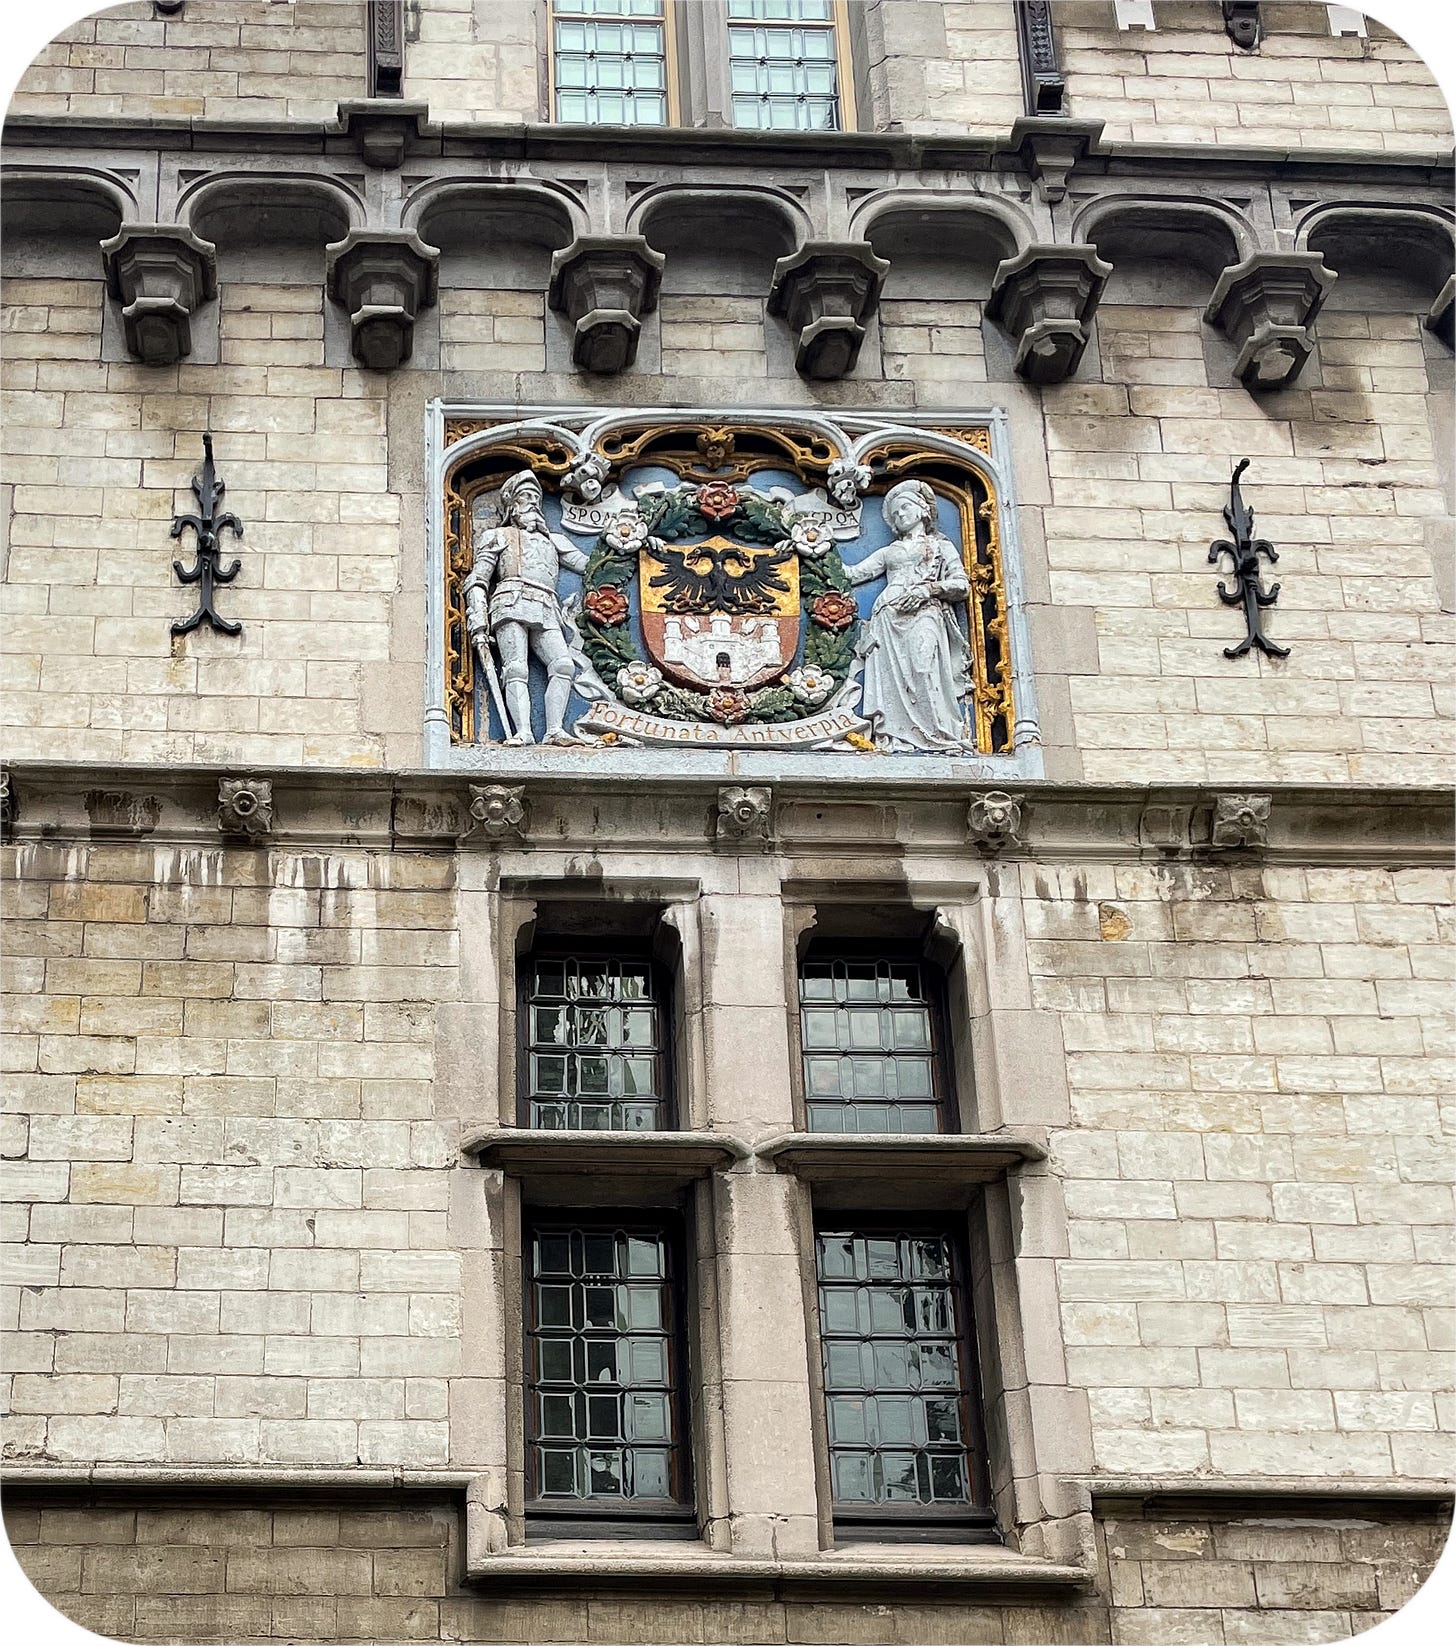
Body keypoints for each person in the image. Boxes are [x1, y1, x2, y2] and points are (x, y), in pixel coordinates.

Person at [846, 479, 977, 753]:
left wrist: (929, 589)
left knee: (922, 666)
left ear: (922, 510)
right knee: (891, 681)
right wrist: (811, 549)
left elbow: (961, 584)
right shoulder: (889, 551)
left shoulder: (940, 547)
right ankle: (895, 737)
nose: (900, 515)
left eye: (904, 508)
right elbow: (853, 574)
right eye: (895, 513)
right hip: (887, 617)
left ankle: (937, 735)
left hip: (924, 613)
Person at [462, 469, 591, 745]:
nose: (532, 502)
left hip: (545, 605)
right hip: (511, 601)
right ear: (513, 505)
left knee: (563, 665)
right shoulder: (498, 536)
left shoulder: (554, 540)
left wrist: (627, 546)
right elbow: (478, 579)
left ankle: (554, 730)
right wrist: (477, 614)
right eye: (525, 496)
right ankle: (523, 732)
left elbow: (587, 564)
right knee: (516, 668)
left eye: (535, 496)